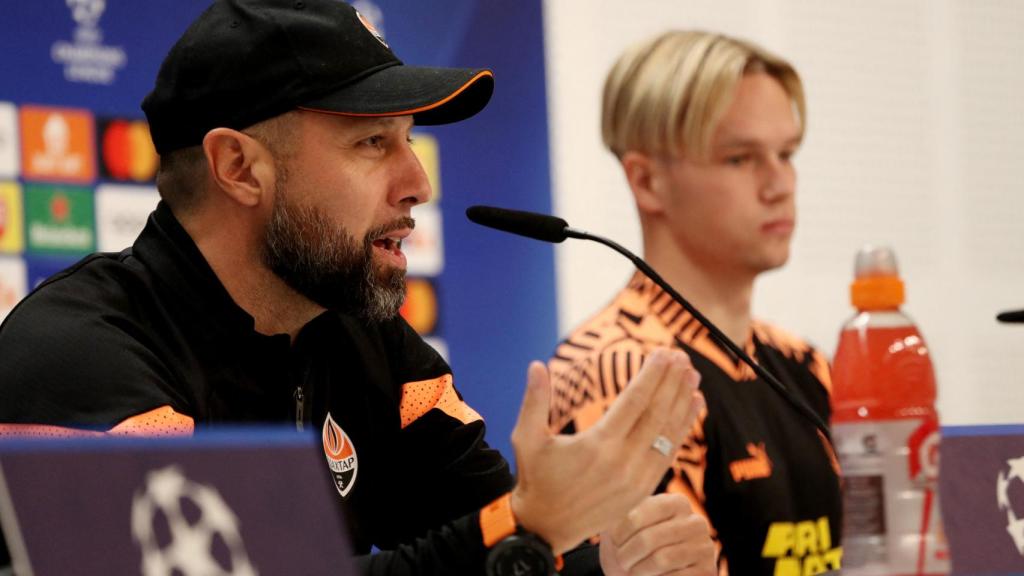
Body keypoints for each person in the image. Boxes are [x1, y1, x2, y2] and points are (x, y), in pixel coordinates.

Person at [0, 1, 717, 575]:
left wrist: (610, 564)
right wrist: (526, 525)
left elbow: (494, 539)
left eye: (408, 139)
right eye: (372, 143)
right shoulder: (76, 355)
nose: (418, 183)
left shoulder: (362, 338)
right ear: (239, 168)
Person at [547, 30, 843, 575]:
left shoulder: (804, 361)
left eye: (786, 154)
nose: (779, 184)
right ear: (647, 181)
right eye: (740, 158)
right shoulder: (620, 371)